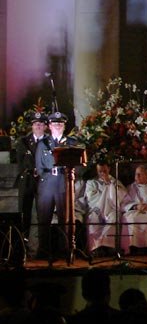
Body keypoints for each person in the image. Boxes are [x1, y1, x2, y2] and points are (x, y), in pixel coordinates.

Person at [35, 110, 77, 259]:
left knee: (64, 219)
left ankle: (65, 250)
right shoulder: (43, 143)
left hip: (63, 182)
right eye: (54, 123)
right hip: (47, 183)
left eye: (60, 124)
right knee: (43, 218)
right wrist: (45, 178)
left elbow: (78, 162)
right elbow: (39, 166)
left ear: (64, 126)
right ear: (50, 126)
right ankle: (44, 251)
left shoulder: (71, 142)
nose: (57, 126)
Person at [80, 161, 127, 257]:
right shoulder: (91, 182)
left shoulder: (116, 182)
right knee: (92, 219)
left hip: (111, 210)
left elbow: (121, 196)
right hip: (96, 209)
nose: (102, 173)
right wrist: (106, 192)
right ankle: (95, 248)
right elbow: (91, 198)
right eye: (100, 171)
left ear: (109, 169)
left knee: (114, 218)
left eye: (104, 171)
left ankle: (109, 247)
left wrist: (110, 186)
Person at [16, 111, 47, 246]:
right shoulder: (23, 142)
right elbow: (21, 162)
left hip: (43, 181)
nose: (38, 126)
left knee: (44, 213)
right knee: (24, 212)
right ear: (32, 126)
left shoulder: (49, 142)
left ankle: (44, 244)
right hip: (28, 181)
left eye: (41, 124)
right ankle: (23, 242)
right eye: (35, 124)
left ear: (45, 126)